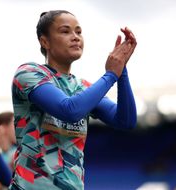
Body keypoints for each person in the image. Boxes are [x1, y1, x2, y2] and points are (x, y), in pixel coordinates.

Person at [10, 10, 137, 190]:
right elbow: (69, 111)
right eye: (65, 31)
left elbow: (126, 121)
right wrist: (110, 75)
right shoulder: (29, 73)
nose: (75, 37)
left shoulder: (83, 87)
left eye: (78, 31)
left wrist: (121, 71)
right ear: (44, 41)